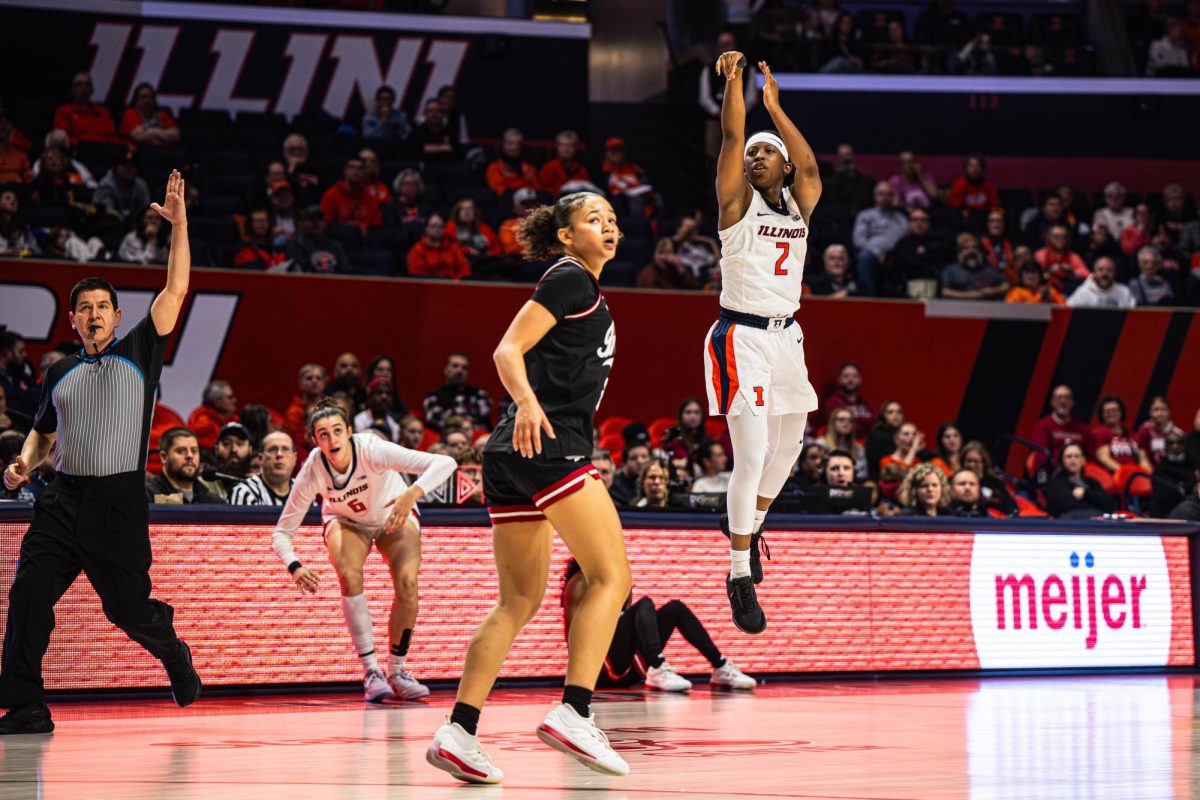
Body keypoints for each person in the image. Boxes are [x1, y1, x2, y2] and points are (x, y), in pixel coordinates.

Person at [427, 192, 630, 784]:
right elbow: (506, 348)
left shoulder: (582, 287)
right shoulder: (570, 280)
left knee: (518, 601)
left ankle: (458, 731)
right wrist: (526, 402)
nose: (609, 227)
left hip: (510, 455)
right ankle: (576, 709)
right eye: (595, 219)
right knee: (612, 577)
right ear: (566, 236)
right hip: (549, 444)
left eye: (613, 220)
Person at [0, 171, 201, 734]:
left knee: (129, 612)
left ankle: (174, 654)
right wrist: (24, 463)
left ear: (116, 316)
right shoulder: (59, 371)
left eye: (102, 306)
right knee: (29, 594)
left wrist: (179, 226)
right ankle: (25, 704)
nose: (92, 314)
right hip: (62, 499)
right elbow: (43, 432)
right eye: (83, 307)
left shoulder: (140, 349)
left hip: (118, 502)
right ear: (72, 321)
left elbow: (176, 290)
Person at [706, 51, 821, 635]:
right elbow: (730, 133)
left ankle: (749, 527)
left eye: (764, 151)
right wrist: (736, 86)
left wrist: (776, 109)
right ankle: (737, 572)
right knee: (750, 456)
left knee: (790, 447)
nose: (755, 156)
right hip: (740, 336)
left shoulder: (800, 206)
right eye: (752, 153)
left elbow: (812, 167)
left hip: (787, 336)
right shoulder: (735, 205)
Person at [273, 400, 455, 702]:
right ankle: (371, 672)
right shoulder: (313, 471)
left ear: (348, 432)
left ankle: (397, 671)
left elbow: (445, 463)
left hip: (391, 514)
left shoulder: (372, 449)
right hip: (346, 521)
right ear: (314, 440)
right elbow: (281, 532)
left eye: (336, 432)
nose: (332, 441)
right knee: (348, 573)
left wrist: (412, 493)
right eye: (323, 435)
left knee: (408, 583)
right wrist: (294, 565)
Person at [560, 557, 756, 692]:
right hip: (597, 673)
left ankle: (720, 666)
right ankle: (657, 665)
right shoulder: (579, 583)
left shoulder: (619, 582)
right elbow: (574, 644)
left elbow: (629, 629)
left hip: (629, 671)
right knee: (644, 604)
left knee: (674, 608)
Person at [145, 426, 226, 504]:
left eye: (194, 451)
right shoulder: (146, 494)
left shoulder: (214, 502)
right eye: (181, 451)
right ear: (164, 457)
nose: (190, 456)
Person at [423, 353, 494, 432]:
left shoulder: (479, 394)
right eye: (455, 366)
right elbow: (435, 419)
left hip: (479, 439)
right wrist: (468, 416)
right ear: (446, 369)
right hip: (448, 440)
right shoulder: (434, 397)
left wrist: (452, 414)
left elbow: (484, 411)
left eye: (464, 368)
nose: (460, 370)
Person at [1044, 442, 1118, 519]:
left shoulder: (1092, 482)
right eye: (1069, 457)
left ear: (1083, 460)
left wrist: (1086, 494)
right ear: (1062, 461)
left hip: (1097, 523)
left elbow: (1110, 505)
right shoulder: (1055, 483)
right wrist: (1096, 503)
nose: (1073, 460)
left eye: (1077, 456)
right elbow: (1067, 507)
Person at [230, 430, 296, 505]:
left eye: (285, 449)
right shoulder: (245, 492)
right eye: (273, 449)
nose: (279, 454)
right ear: (261, 458)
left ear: (295, 458)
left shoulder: (304, 492)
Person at [1091, 395, 1152, 473]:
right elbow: (1104, 458)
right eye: (1107, 411)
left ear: (1121, 412)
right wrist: (1125, 473)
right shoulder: (1099, 432)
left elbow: (1143, 458)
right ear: (1102, 415)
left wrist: (1148, 475)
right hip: (1114, 476)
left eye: (1114, 410)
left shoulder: (1132, 435)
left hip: (1136, 476)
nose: (1111, 413)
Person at [1031, 385, 1092, 457]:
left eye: (1067, 398)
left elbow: (1089, 455)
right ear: (1052, 402)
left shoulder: (1083, 429)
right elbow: (1040, 456)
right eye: (1059, 398)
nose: (1063, 402)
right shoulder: (1042, 426)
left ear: (1072, 402)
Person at [960, 441, 1018, 516]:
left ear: (984, 463)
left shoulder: (996, 483)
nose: (971, 465)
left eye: (976, 461)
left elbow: (1011, 508)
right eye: (968, 461)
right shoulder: (956, 482)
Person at [119, 83, 179, 147]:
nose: (147, 101)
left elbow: (176, 135)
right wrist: (165, 137)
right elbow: (140, 137)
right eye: (143, 97)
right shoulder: (130, 113)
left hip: (160, 153)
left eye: (150, 97)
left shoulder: (161, 114)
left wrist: (152, 131)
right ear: (135, 100)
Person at [823, 362, 874, 438]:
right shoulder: (833, 402)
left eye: (854, 376)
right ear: (839, 380)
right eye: (846, 376)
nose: (850, 379)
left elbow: (873, 423)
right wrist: (864, 419)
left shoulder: (866, 403)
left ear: (860, 379)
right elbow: (838, 427)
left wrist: (854, 420)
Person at [1066, 256, 1136, 308]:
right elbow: (1069, 312)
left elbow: (1132, 315)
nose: (1105, 274)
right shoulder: (1083, 293)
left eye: (1109, 270)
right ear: (1094, 272)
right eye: (1100, 269)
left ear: (1115, 273)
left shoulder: (1124, 292)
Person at [819, 407, 868, 480]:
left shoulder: (859, 448)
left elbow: (863, 474)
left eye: (850, 420)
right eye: (841, 419)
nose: (846, 423)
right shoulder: (821, 444)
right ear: (832, 423)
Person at [1137, 395, 1185, 464]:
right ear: (1150, 412)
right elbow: (1143, 457)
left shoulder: (1178, 433)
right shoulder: (1145, 430)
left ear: (1169, 412)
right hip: (1151, 472)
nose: (1159, 414)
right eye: (1156, 410)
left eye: (1163, 410)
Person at [355, 377, 403, 442]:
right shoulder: (358, 421)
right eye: (379, 393)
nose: (384, 397)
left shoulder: (394, 425)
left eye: (388, 393)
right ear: (369, 397)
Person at [609, 441, 651, 507]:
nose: (640, 461)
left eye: (644, 456)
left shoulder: (657, 483)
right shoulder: (613, 488)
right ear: (624, 463)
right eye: (633, 458)